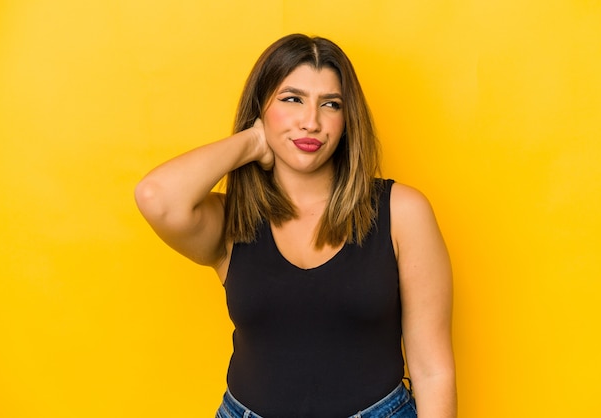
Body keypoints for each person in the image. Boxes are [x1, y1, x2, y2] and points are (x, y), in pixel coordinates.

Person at [135, 33, 456, 418]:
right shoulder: (231, 222)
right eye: (292, 99)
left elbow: (432, 370)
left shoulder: (401, 211)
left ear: (346, 119)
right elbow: (156, 196)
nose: (311, 122)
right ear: (261, 109)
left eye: (330, 105)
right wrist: (251, 142)